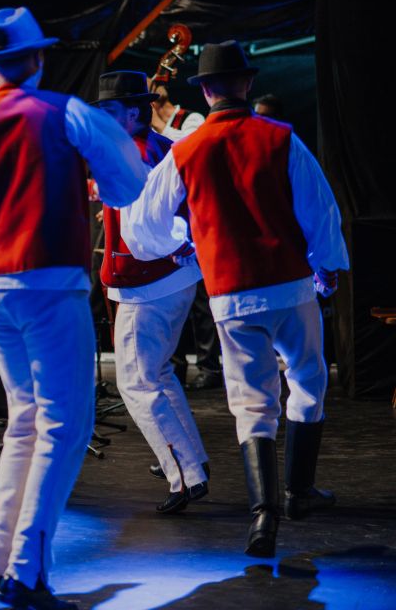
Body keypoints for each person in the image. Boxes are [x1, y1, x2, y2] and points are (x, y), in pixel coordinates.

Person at [0, 7, 147, 610]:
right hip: (50, 283)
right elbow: (129, 184)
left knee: (25, 420)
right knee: (66, 426)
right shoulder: (66, 112)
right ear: (40, 58)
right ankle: (27, 570)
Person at [122, 40, 349, 558]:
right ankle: (298, 492)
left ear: (204, 89)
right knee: (307, 381)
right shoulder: (281, 138)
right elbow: (319, 208)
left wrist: (182, 243)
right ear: (247, 83)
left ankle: (263, 514)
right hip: (290, 286)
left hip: (230, 295)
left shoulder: (185, 150)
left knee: (251, 401)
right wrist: (327, 264)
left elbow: (142, 226)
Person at [93, 70, 210, 513]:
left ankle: (185, 473)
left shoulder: (136, 154)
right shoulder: (158, 147)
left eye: (110, 111)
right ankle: (191, 459)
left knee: (137, 382)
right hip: (168, 280)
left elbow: (148, 226)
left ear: (134, 112)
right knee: (157, 375)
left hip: (148, 283)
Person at [149, 75, 224, 392]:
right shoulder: (147, 133)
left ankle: (209, 366)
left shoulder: (190, 119)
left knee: (202, 301)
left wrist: (157, 124)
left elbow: (190, 148)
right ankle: (175, 366)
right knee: (172, 297)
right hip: (171, 220)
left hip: (198, 218)